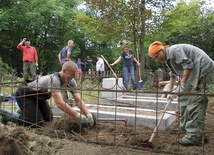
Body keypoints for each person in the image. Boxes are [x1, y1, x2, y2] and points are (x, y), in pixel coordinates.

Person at [148, 41, 214, 146]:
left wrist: (182, 84)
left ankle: (194, 136)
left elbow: (188, 65)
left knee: (195, 101)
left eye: (157, 55)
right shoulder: (168, 59)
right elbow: (173, 74)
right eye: (154, 58)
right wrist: (170, 91)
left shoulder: (174, 50)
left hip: (202, 68)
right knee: (183, 98)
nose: (157, 59)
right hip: (193, 71)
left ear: (161, 50)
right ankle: (183, 126)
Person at [0, 61, 94, 127]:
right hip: (25, 94)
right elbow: (60, 103)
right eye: (71, 75)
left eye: (74, 75)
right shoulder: (54, 80)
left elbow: (78, 100)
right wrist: (78, 116)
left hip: (39, 98)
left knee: (48, 118)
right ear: (64, 71)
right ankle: (7, 115)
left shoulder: (71, 81)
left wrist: (87, 114)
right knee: (35, 122)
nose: (72, 77)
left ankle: (25, 111)